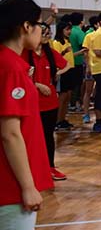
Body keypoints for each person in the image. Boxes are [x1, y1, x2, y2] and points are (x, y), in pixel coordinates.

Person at [0, 0, 54, 230]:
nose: (42, 32)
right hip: (10, 185)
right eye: (40, 26)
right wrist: (27, 186)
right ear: (25, 26)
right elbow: (10, 133)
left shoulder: (13, 65)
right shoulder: (10, 67)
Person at [30, 22, 72, 180]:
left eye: (48, 33)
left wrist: (56, 73)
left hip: (49, 102)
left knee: (48, 136)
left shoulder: (50, 53)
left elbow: (66, 65)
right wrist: (37, 85)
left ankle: (50, 167)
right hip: (32, 102)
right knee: (33, 137)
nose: (47, 35)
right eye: (44, 33)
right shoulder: (24, 54)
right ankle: (34, 168)